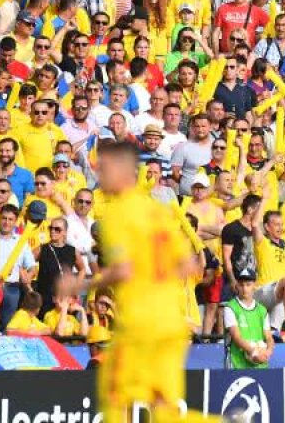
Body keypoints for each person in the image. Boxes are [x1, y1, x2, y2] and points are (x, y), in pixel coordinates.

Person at [91, 141, 201, 423]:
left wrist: (81, 285)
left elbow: (124, 270)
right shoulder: (158, 215)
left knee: (120, 398)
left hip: (140, 323)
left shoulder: (119, 215)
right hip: (167, 322)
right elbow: (188, 264)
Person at [224, 269, 274, 367]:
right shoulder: (230, 307)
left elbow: (268, 337)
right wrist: (254, 352)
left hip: (260, 365)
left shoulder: (262, 310)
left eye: (248, 285)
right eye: (241, 285)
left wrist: (268, 352)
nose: (244, 288)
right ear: (237, 286)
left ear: (254, 286)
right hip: (237, 364)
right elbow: (236, 337)